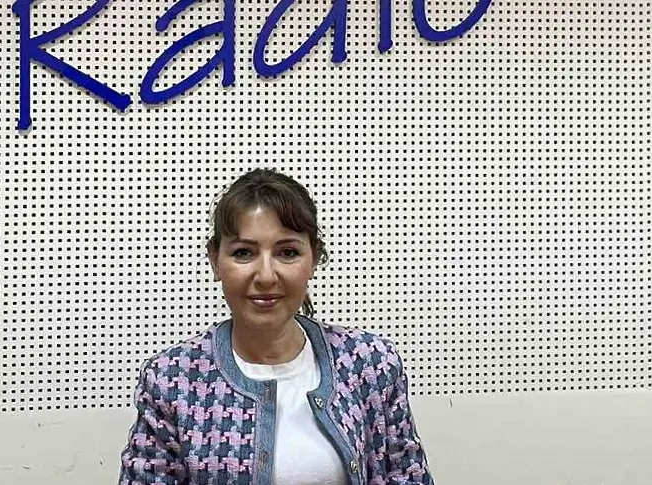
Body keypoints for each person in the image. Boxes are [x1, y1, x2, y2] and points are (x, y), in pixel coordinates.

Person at [118, 168, 434, 485]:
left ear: (313, 259)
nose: (266, 276)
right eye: (244, 253)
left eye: (287, 253)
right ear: (215, 260)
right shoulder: (173, 379)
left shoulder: (370, 364)